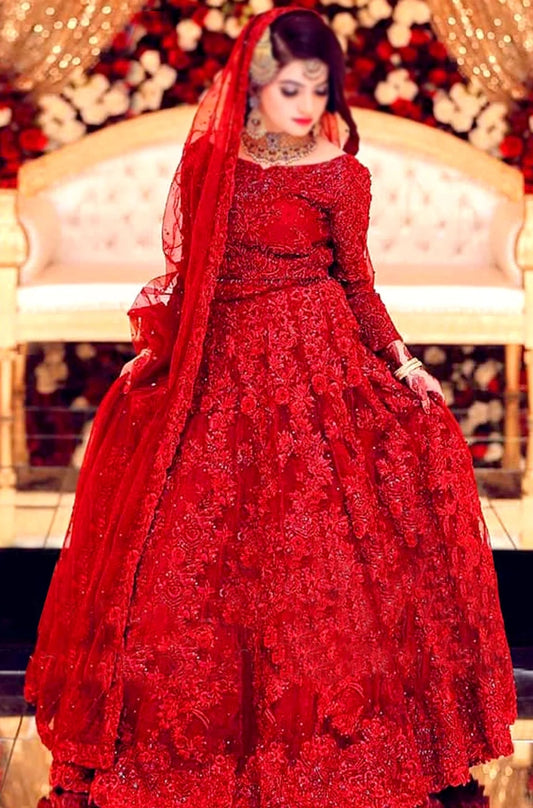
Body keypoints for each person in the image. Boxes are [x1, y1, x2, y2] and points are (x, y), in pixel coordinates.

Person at [25, 7, 517, 808]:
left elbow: (357, 284)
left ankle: (337, 735)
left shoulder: (340, 173)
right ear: (254, 85)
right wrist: (167, 358)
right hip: (220, 364)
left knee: (324, 546)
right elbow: (194, 274)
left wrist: (403, 363)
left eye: (318, 88)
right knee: (191, 548)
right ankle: (189, 736)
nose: (305, 104)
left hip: (317, 361)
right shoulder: (213, 163)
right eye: (291, 88)